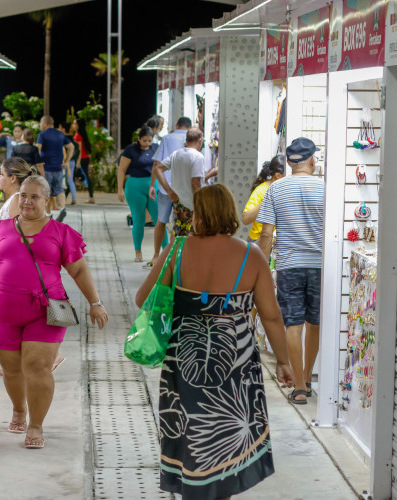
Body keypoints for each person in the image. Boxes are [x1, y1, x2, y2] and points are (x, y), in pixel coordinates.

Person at [136, 184, 293, 500]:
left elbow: (144, 299)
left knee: (189, 434)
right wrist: (284, 361)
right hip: (236, 363)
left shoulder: (176, 249)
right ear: (230, 212)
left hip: (183, 360)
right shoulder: (252, 255)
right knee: (224, 436)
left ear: (199, 214)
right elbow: (272, 317)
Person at [0, 175, 109, 448]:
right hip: (4, 310)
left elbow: (79, 269)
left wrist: (95, 302)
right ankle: (19, 409)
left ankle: (35, 425)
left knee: (37, 367)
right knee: (12, 369)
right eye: (23, 195)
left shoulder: (60, 232)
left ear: (46, 200)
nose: (27, 201)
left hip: (45, 311)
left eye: (34, 196)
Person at [257, 137, 324, 405]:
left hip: (288, 265)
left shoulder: (276, 189)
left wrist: (260, 267)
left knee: (293, 325)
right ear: (311, 160)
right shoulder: (325, 189)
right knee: (315, 323)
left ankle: (297, 387)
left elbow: (266, 234)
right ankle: (307, 378)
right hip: (320, 265)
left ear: (288, 161)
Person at [0, 158, 66, 376]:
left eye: (2, 175)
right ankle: (26, 362)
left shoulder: (16, 200)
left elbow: (17, 237)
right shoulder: (14, 199)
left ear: (13, 178)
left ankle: (42, 360)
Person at [146, 117, 191, 267]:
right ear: (189, 127)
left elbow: (157, 164)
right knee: (180, 224)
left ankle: (156, 256)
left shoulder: (166, 138)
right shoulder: (195, 139)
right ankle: (175, 258)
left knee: (161, 222)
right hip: (185, 190)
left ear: (176, 125)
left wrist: (153, 185)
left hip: (166, 187)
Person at [153, 127, 205, 238]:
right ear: (200, 140)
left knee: (177, 232)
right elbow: (195, 183)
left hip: (179, 201)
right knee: (194, 235)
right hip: (193, 204)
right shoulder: (198, 157)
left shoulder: (177, 154)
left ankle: (174, 255)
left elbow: (157, 169)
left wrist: (169, 191)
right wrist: (199, 204)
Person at [117, 126, 159, 262]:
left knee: (159, 220)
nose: (147, 144)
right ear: (139, 139)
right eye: (144, 141)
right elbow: (122, 170)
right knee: (138, 220)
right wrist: (120, 189)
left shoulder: (156, 148)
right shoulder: (131, 150)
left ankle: (164, 253)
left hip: (152, 184)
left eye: (149, 141)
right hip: (135, 186)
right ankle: (138, 252)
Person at [36, 115, 74, 220]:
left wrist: (38, 162)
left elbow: (38, 148)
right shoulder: (60, 134)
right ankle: (63, 209)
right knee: (59, 189)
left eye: (40, 123)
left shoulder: (42, 135)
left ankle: (48, 214)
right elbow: (71, 147)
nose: (40, 125)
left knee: (46, 191)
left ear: (45, 123)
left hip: (46, 167)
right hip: (58, 167)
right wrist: (66, 161)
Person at [242, 154, 285, 244]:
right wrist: (266, 201)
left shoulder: (283, 190)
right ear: (278, 175)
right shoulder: (261, 190)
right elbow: (245, 219)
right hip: (258, 241)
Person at [72, 118, 95, 204]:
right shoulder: (81, 135)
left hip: (81, 159)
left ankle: (90, 197)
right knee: (83, 177)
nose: (73, 125)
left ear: (78, 126)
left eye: (74, 124)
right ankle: (91, 197)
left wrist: (78, 162)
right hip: (84, 159)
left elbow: (79, 150)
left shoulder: (78, 136)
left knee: (72, 178)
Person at [59, 122, 79, 205]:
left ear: (63, 129)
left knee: (61, 181)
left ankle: (57, 200)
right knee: (70, 181)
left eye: (59, 128)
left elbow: (65, 154)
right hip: (73, 161)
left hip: (65, 162)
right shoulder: (73, 138)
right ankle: (74, 198)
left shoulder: (63, 139)